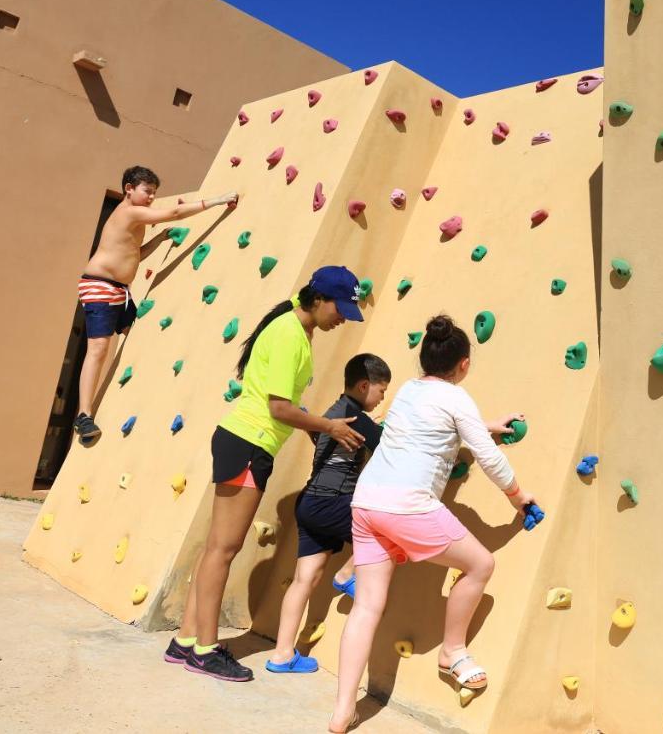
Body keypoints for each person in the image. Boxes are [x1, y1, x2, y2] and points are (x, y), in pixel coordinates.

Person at [330, 315, 534, 733]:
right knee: (480, 565)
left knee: (367, 606)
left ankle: (341, 712)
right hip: (408, 508)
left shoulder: (408, 390)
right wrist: (519, 496)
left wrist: (483, 426)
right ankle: (452, 651)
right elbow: (490, 459)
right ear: (463, 365)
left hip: (367, 504)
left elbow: (430, 428)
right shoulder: (458, 400)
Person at [163, 266, 367, 682]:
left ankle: (185, 640)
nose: (342, 317)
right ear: (317, 299)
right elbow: (279, 408)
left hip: (246, 441)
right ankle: (205, 649)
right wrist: (330, 426)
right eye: (340, 308)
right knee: (224, 549)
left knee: (216, 548)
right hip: (250, 443)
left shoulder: (293, 328)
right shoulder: (290, 333)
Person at [73, 165, 237, 442]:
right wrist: (217, 201)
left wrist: (161, 239)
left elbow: (134, 253)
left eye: (153, 193)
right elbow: (173, 212)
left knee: (140, 338)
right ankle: (83, 415)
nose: (151, 198)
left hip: (120, 291)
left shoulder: (134, 220)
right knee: (98, 348)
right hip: (100, 287)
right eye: (147, 191)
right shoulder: (129, 211)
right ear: (129, 189)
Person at [266, 353, 392, 675]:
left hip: (309, 503)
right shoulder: (354, 416)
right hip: (331, 501)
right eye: (381, 391)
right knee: (389, 525)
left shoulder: (332, 413)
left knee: (304, 579)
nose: (382, 398)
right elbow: (388, 446)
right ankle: (347, 573)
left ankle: (281, 654)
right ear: (364, 386)